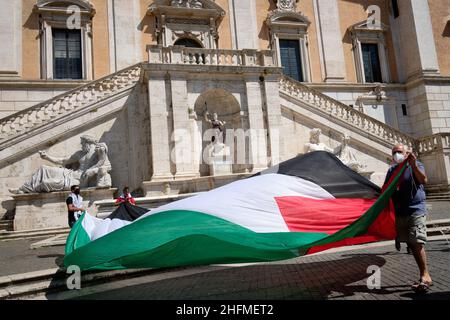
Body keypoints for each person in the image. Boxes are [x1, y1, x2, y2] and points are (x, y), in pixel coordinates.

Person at [384, 143, 431, 293]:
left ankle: (425, 276)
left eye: (399, 152)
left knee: (417, 243)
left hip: (416, 209)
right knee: (412, 244)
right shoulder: (392, 170)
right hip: (400, 212)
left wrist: (413, 164)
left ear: (405, 154)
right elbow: (386, 189)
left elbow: (423, 180)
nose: (396, 154)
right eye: (394, 152)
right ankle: (400, 239)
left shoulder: (416, 165)